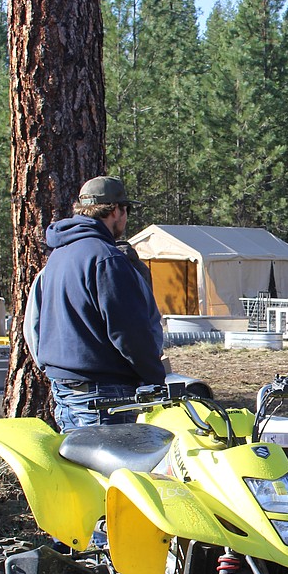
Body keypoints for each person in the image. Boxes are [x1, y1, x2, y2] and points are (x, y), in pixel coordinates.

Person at [28, 175, 165, 431]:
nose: (126, 218)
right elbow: (128, 333)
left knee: (81, 470)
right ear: (115, 210)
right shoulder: (106, 258)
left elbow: (37, 322)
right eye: (127, 210)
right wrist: (156, 378)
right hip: (104, 395)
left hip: (66, 389)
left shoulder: (59, 254)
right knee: (114, 471)